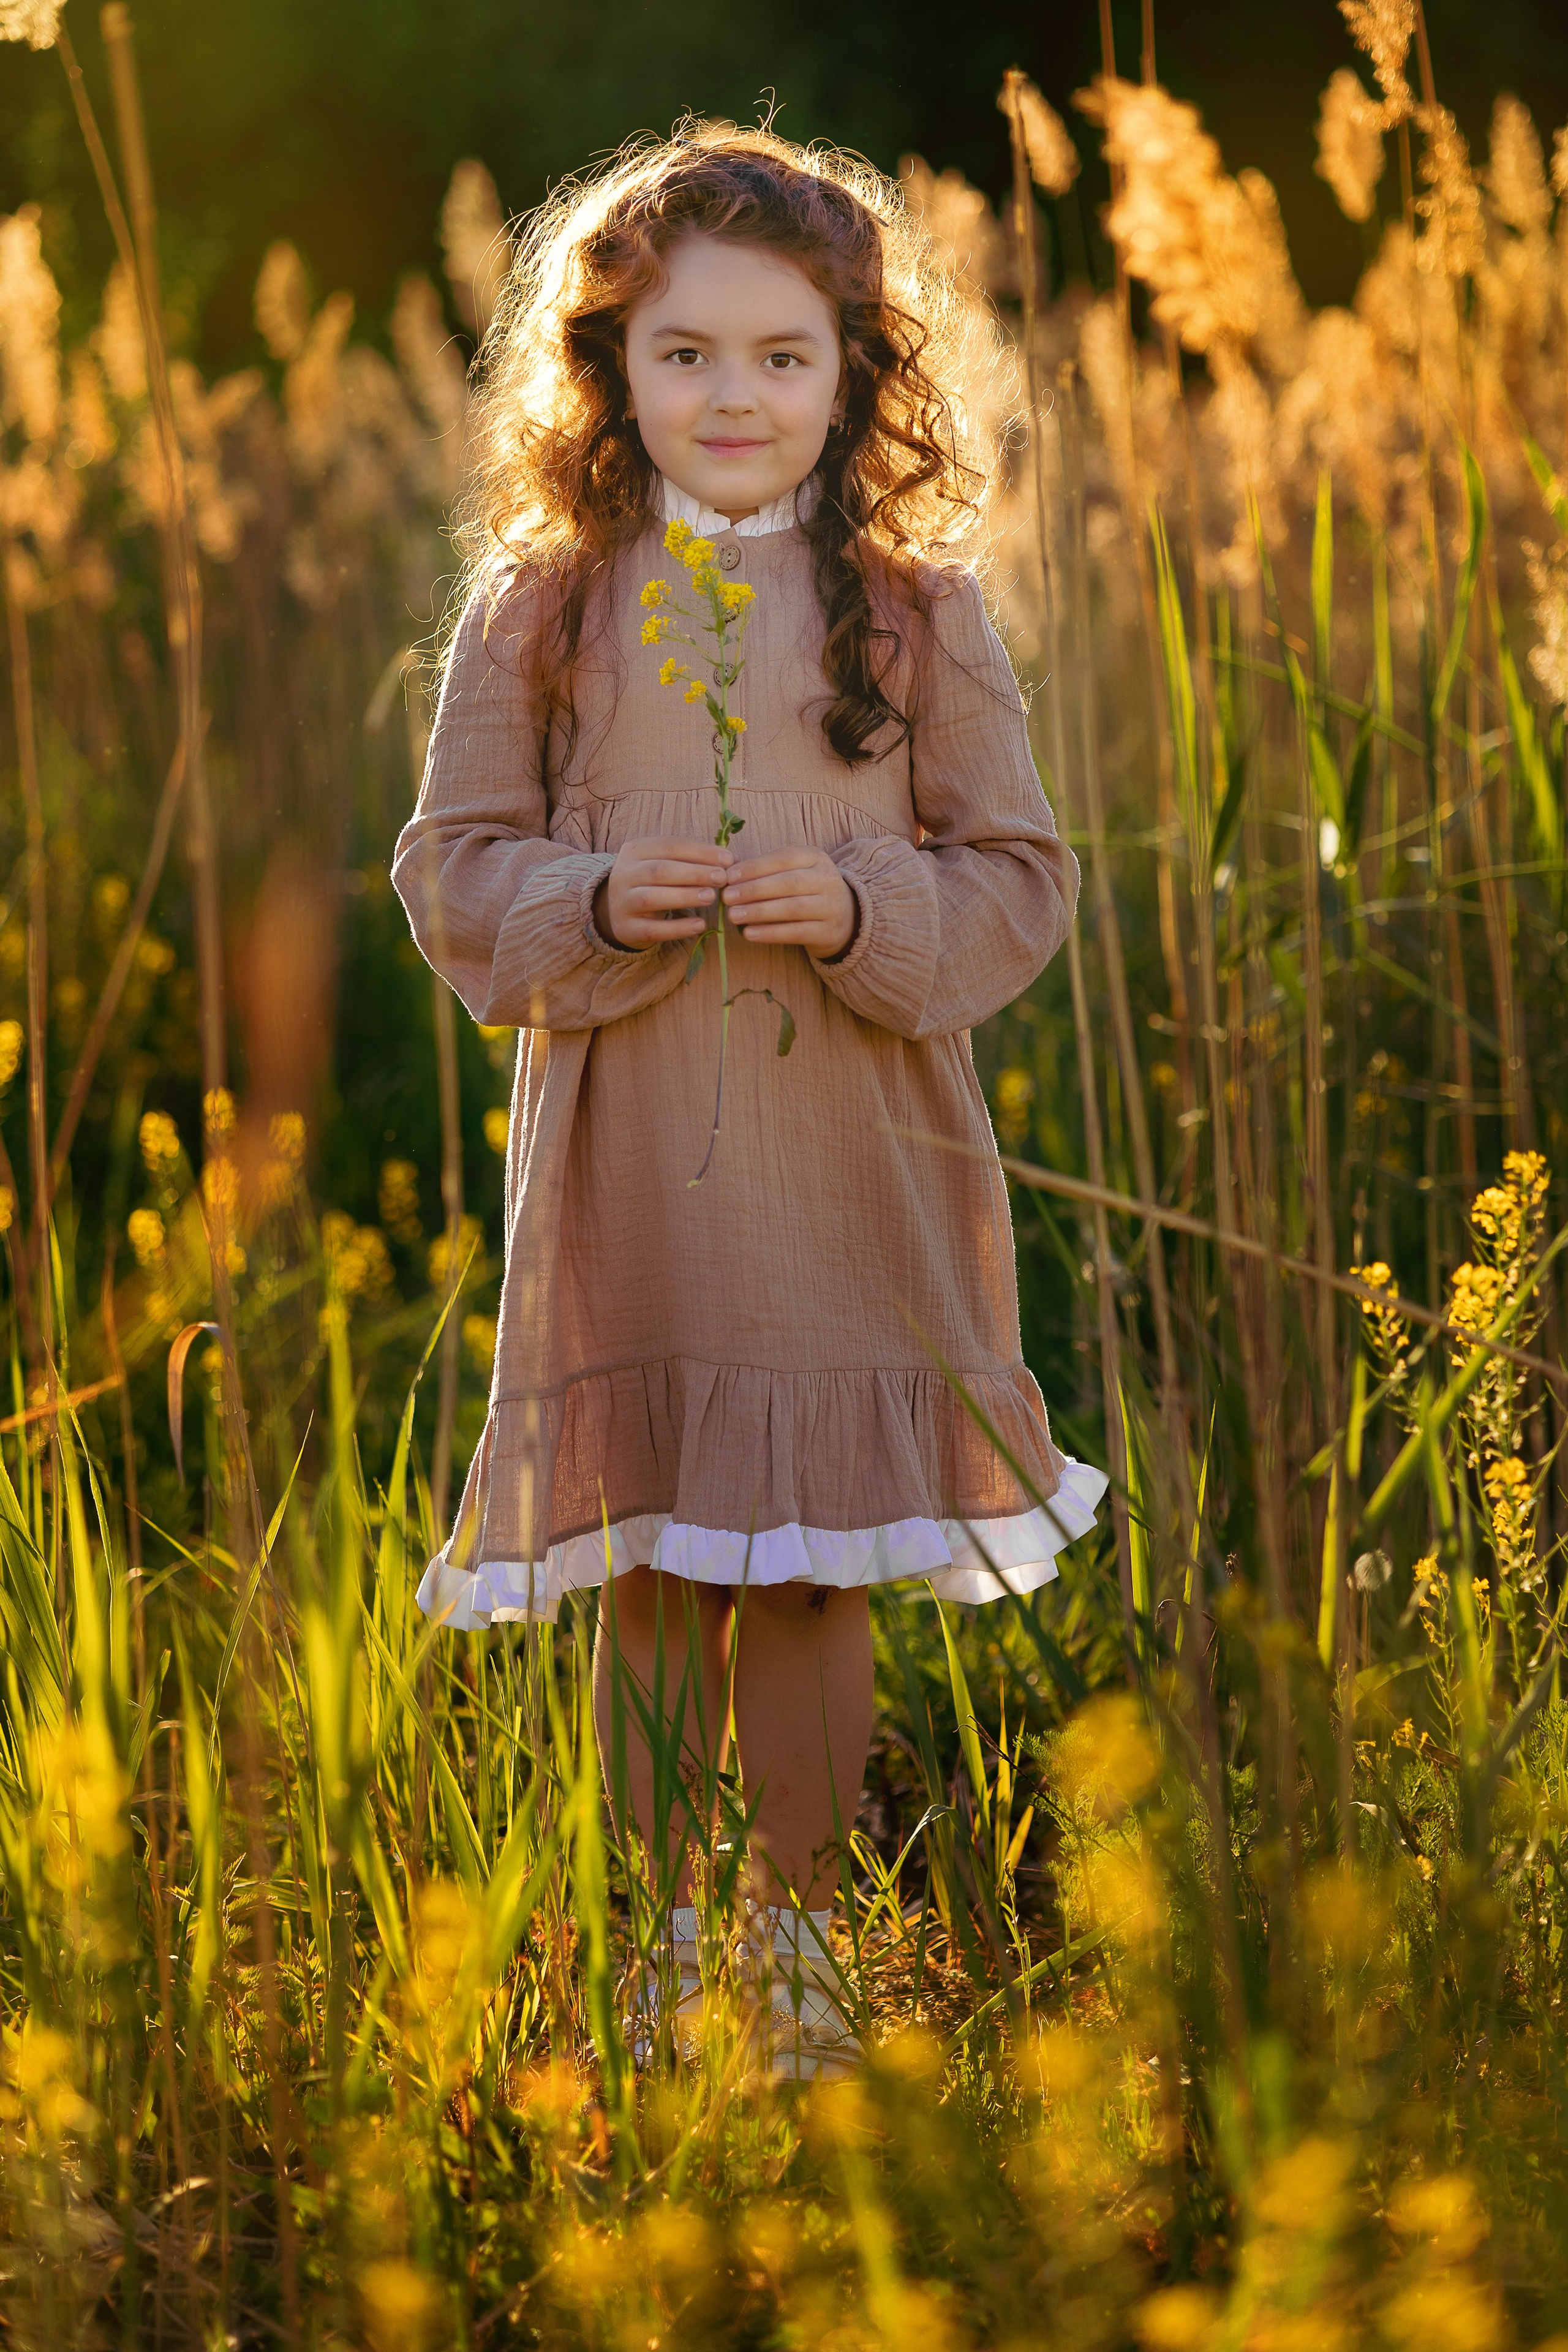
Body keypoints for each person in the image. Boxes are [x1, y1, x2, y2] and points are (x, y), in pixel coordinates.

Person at [393, 122, 1105, 2077]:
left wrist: (866, 900)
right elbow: (450, 871)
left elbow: (1022, 883)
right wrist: (597, 896)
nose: (733, 395)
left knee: (802, 1558)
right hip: (633, 1175)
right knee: (646, 1552)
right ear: (611, 370)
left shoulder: (919, 612)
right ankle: (659, 1947)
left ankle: (793, 1951)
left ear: (856, 374)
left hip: (846, 1167)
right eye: (685, 352)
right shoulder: (538, 612)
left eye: (783, 355)